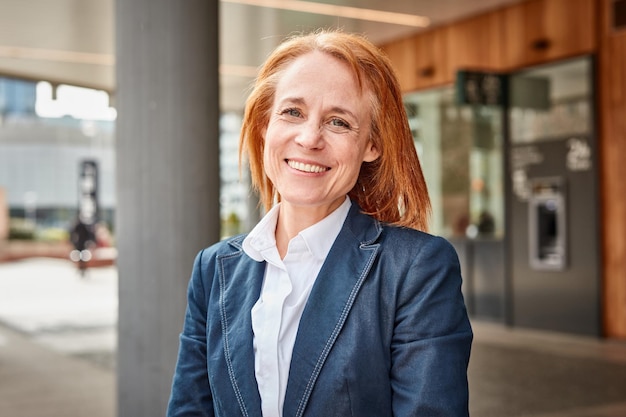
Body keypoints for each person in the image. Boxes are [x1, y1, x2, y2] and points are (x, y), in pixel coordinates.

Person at [167, 29, 472, 417]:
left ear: (372, 145)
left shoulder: (415, 269)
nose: (309, 138)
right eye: (292, 112)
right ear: (265, 126)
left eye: (339, 122)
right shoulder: (214, 269)